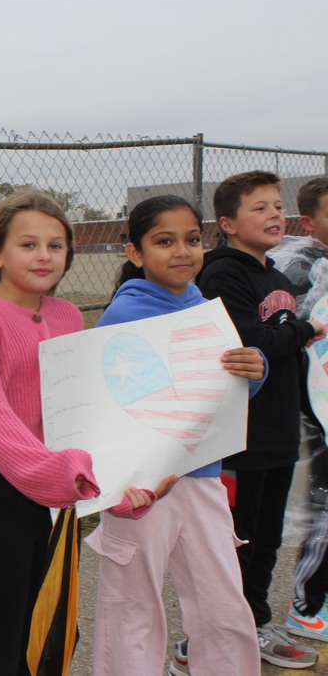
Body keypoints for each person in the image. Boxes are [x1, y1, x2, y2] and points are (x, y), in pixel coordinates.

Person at [86, 195, 265, 676]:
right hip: (142, 487)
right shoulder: (124, 316)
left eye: (192, 239)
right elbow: (107, 407)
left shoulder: (207, 309)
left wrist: (255, 369)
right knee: (132, 607)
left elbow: (222, 396)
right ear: (135, 253)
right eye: (164, 241)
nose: (182, 251)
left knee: (223, 605)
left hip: (202, 476)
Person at [0, 190, 105, 676]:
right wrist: (54, 473)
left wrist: (116, 475)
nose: (44, 256)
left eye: (56, 246)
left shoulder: (68, 316)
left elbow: (78, 408)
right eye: (29, 244)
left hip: (57, 500)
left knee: (51, 638)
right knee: (0, 654)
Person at [196, 170, 326, 670]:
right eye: (260, 207)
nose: (275, 214)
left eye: (277, 205)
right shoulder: (223, 274)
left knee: (267, 538)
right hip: (238, 438)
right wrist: (306, 328)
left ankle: (253, 623)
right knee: (237, 540)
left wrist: (299, 335)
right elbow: (249, 344)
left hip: (276, 432)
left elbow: (285, 343)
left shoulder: (275, 276)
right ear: (227, 223)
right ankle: (210, 634)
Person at [267, 178, 328, 640]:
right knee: (324, 503)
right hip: (317, 401)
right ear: (309, 222)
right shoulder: (302, 268)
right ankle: (308, 607)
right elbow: (296, 331)